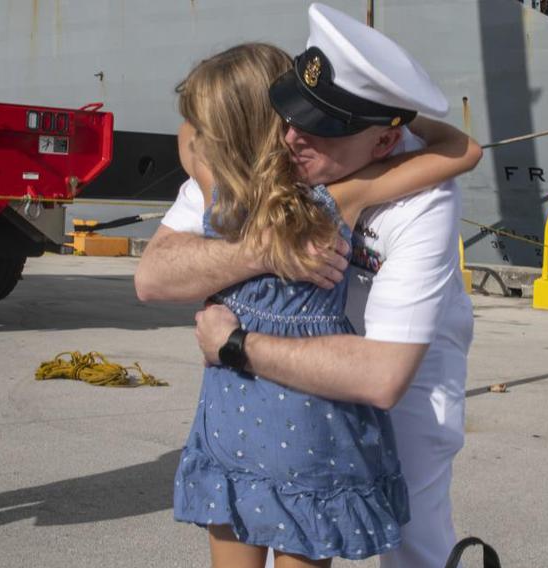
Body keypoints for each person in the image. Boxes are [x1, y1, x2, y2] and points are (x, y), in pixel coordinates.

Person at [136, 4, 477, 568]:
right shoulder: (324, 186)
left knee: (414, 533)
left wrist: (235, 341)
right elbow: (465, 150)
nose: (294, 137)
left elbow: (189, 136)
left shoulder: (227, 180)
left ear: (383, 142)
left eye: (320, 128)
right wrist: (263, 250)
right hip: (310, 421)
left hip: (326, 375)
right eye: (287, 118)